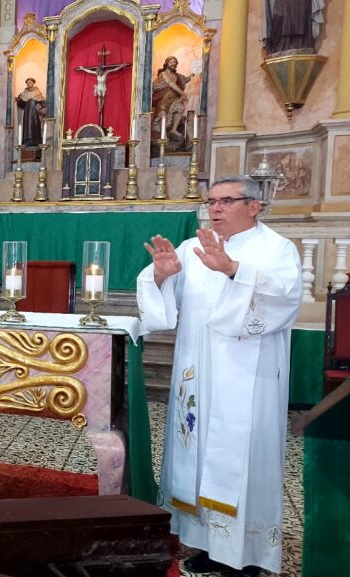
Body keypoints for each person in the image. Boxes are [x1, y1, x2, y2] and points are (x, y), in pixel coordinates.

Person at [137, 176, 302, 577]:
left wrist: (232, 270)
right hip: (196, 371)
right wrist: (161, 275)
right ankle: (209, 545)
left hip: (248, 375)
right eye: (211, 201)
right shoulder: (192, 247)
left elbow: (285, 298)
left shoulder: (276, 248)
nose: (215, 208)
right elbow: (163, 301)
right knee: (195, 453)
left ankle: (246, 555)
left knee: (242, 459)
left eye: (227, 201)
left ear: (254, 206)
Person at [151, 56, 194, 139]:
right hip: (163, 98)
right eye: (171, 62)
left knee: (180, 108)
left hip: (174, 98)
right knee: (163, 114)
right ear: (166, 64)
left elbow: (185, 80)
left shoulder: (177, 75)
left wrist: (194, 72)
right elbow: (171, 83)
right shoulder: (163, 74)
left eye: (174, 62)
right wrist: (183, 93)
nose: (173, 64)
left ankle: (173, 129)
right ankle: (163, 135)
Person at [15, 78, 46, 147]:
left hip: (35, 113)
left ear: (33, 83)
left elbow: (42, 101)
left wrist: (43, 107)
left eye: (30, 82)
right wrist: (18, 99)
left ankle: (36, 140)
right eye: (28, 82)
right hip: (27, 113)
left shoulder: (37, 91)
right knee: (27, 126)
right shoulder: (24, 92)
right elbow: (22, 104)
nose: (29, 84)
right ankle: (27, 140)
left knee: (35, 125)